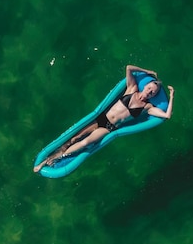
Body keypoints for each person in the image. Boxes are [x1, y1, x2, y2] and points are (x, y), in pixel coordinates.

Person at [34, 65, 175, 173]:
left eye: (153, 92)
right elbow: (129, 68)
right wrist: (148, 72)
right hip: (100, 118)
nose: (150, 92)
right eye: (150, 88)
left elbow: (166, 115)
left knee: (85, 142)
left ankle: (51, 160)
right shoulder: (132, 88)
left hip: (108, 128)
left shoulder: (147, 107)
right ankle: (54, 154)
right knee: (75, 138)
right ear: (146, 86)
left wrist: (172, 95)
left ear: (154, 95)